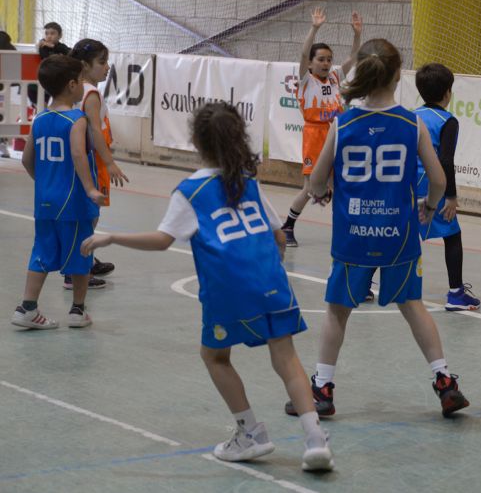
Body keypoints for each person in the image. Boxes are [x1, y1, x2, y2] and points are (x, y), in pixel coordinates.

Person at [80, 103, 334, 470]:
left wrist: (113, 237)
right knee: (287, 358)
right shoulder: (249, 182)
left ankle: (250, 431)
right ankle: (315, 441)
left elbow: (162, 239)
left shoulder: (191, 191)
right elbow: (278, 236)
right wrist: (269, 265)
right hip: (271, 282)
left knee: (215, 356)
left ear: (197, 142)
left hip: (227, 290)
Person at [284, 38, 470, 419]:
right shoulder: (411, 123)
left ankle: (323, 388)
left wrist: (324, 190)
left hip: (353, 235)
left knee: (338, 311)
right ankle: (444, 381)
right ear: (397, 75)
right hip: (398, 233)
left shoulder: (343, 123)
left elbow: (316, 183)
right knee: (413, 306)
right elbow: (437, 179)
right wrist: (431, 206)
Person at [10, 55, 105, 331]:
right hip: (73, 201)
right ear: (73, 85)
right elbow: (77, 153)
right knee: (81, 252)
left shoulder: (39, 119)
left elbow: (27, 159)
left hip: (45, 201)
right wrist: (89, 188)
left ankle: (27, 307)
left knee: (41, 251)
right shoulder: (76, 119)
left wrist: (44, 182)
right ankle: (77, 311)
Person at [281, 6, 362, 248]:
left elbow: (354, 56)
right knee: (310, 187)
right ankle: (288, 226)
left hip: (336, 132)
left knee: (340, 184)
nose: (326, 63)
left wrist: (357, 34)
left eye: (329, 59)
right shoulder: (306, 80)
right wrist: (314, 28)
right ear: (311, 63)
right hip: (315, 134)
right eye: (321, 59)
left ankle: (348, 228)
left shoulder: (336, 77)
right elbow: (304, 52)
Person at [414, 63, 480, 311]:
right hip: (432, 185)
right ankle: (456, 294)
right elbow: (445, 160)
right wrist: (451, 195)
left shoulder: (411, 115)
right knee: (452, 235)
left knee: (398, 232)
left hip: (406, 185)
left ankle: (363, 284)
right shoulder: (447, 121)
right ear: (448, 93)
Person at [68, 39, 129, 288]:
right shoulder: (90, 93)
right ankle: (77, 271)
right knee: (90, 216)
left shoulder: (74, 89)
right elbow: (94, 130)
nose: (107, 67)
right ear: (85, 65)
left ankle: (86, 260)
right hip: (93, 161)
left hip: (87, 159)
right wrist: (110, 162)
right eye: (102, 62)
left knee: (87, 214)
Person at [0, 31, 15, 158]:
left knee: (1, 114)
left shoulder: (7, 46)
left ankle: (2, 144)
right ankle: (2, 144)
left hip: (2, 88)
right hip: (2, 88)